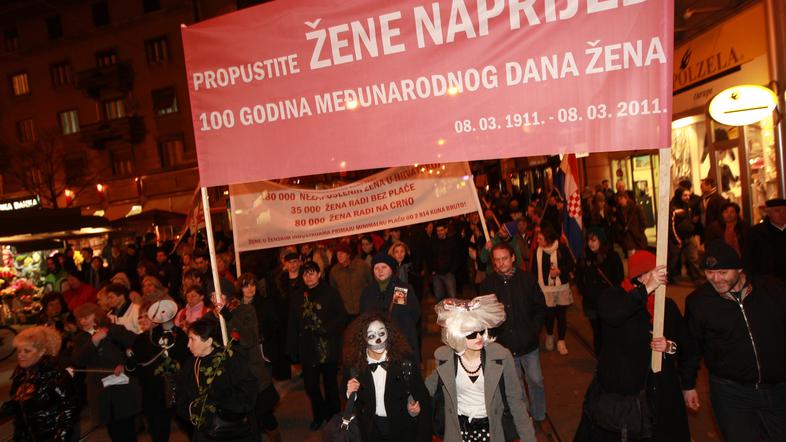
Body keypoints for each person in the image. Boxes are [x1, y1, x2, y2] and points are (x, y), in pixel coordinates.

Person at [575, 254, 695, 441]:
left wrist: (669, 347)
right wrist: (646, 289)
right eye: (651, 274)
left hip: (660, 394)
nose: (658, 279)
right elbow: (614, 315)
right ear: (638, 276)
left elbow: (684, 346)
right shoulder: (614, 298)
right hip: (622, 397)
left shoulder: (667, 307)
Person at [683, 240, 786, 441]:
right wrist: (688, 385)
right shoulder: (699, 302)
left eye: (723, 272)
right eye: (710, 272)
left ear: (739, 269)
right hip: (731, 393)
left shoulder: (773, 290)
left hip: (779, 389)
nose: (716, 279)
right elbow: (692, 346)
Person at [425, 295, 537, 442]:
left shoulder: (501, 356)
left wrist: (528, 438)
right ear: (457, 336)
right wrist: (411, 403)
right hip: (458, 430)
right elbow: (425, 390)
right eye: (471, 334)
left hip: (491, 429)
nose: (478, 337)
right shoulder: (445, 358)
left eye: (481, 331)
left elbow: (515, 401)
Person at [479, 242, 549, 431]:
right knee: (516, 386)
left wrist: (533, 330)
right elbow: (485, 317)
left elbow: (539, 308)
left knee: (536, 380)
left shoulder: (527, 280)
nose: (501, 263)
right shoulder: (488, 285)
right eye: (497, 260)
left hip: (529, 343)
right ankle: (524, 416)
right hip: (505, 346)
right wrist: (495, 336)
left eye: (504, 258)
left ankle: (539, 414)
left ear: (513, 258)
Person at [344, 313, 432, 441]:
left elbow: (421, 396)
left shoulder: (404, 362)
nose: (378, 340)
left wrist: (415, 410)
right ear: (363, 339)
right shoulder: (355, 365)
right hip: (371, 429)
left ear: (388, 333)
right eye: (371, 336)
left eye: (381, 334)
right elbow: (344, 393)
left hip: (400, 427)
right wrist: (350, 393)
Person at [286, 261, 347, 430]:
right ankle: (319, 414)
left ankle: (333, 415)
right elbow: (293, 323)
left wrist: (325, 329)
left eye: (312, 272)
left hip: (328, 345)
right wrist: (292, 349)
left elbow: (341, 316)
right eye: (305, 273)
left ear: (319, 274)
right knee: (311, 386)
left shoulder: (331, 293)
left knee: (330, 384)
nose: (309, 276)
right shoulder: (298, 296)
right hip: (307, 347)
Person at [176, 315, 258, 442]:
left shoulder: (230, 360)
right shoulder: (190, 365)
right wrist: (193, 410)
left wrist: (220, 398)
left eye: (192, 339)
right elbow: (181, 396)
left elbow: (248, 393)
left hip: (232, 432)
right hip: (204, 433)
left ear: (208, 341)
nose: (188, 345)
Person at [219, 282, 282, 442]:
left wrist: (228, 316)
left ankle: (276, 438)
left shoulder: (246, 310)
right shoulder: (211, 316)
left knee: (263, 414)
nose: (214, 298)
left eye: (217, 294)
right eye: (211, 295)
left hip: (251, 372)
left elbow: (248, 339)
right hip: (234, 375)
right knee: (249, 419)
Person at [71, 303, 141, 442]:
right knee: (112, 428)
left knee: (127, 428)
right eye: (80, 318)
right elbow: (78, 360)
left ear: (97, 316)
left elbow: (138, 346)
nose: (82, 321)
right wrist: (94, 341)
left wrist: (125, 365)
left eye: (86, 317)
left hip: (122, 385)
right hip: (100, 389)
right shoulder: (81, 338)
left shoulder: (115, 330)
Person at [0, 326, 78, 441]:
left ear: (42, 352)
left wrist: (60, 438)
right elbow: (18, 404)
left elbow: (69, 410)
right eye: (19, 350)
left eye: (27, 351)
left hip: (50, 437)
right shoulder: (21, 374)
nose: (20, 355)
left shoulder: (55, 375)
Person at [126, 300, 189, 442]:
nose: (142, 320)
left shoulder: (178, 335)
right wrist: (130, 361)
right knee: (158, 433)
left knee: (190, 427)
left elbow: (186, 360)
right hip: (153, 395)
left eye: (146, 315)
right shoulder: (141, 339)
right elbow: (134, 370)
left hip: (178, 391)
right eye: (140, 317)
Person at [359, 254, 421, 365]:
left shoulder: (401, 289)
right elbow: (363, 316)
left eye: (384, 267)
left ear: (391, 270)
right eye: (376, 268)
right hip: (376, 344)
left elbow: (414, 314)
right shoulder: (367, 292)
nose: (380, 271)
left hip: (399, 342)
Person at [575, 227, 624, 354]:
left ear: (601, 240)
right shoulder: (584, 256)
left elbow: (619, 279)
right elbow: (578, 277)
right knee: (597, 331)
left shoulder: (612, 257)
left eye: (594, 240)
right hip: (591, 302)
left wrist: (613, 294)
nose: (591, 243)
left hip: (608, 301)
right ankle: (600, 358)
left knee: (607, 331)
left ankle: (610, 356)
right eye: (589, 240)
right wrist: (584, 290)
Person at [534, 224, 574, 355]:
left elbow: (571, 264)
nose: (538, 241)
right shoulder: (538, 251)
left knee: (561, 315)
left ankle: (561, 341)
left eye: (540, 239)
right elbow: (534, 270)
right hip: (545, 289)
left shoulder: (561, 248)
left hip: (561, 287)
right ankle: (550, 336)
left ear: (548, 240)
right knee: (549, 315)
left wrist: (560, 271)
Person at [743, 197, 786, 283]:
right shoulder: (756, 233)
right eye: (777, 211)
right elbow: (748, 260)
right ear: (768, 212)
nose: (782, 214)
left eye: (785, 210)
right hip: (767, 283)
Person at [329, 242, 373, 323]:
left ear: (348, 255)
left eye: (342, 253)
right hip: (346, 312)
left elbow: (372, 282)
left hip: (364, 309)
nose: (339, 256)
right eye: (337, 254)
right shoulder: (334, 271)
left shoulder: (362, 265)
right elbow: (334, 291)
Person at [668, 187, 702, 283]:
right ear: (679, 196)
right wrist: (677, 240)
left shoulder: (687, 206)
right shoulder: (673, 208)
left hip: (688, 236)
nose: (687, 197)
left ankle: (695, 276)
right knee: (674, 260)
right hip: (677, 238)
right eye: (685, 195)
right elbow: (671, 225)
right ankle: (671, 276)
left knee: (692, 257)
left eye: (688, 195)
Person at [613, 192, 649, 256]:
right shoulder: (619, 211)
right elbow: (618, 223)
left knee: (640, 257)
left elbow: (643, 221)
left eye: (621, 199)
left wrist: (639, 231)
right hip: (628, 238)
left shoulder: (635, 208)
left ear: (626, 198)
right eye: (619, 200)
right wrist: (622, 231)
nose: (620, 201)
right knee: (632, 259)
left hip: (637, 237)